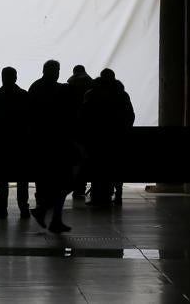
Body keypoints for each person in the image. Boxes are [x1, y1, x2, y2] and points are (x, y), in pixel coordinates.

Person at [27, 59, 73, 233]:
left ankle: (46, 211)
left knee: (51, 181)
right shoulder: (60, 90)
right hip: (57, 142)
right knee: (63, 182)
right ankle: (51, 215)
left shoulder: (36, 88)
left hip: (42, 141)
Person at [0, 66, 31, 219]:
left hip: (1, 141)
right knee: (22, 177)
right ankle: (23, 208)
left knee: (2, 177)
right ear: (15, 78)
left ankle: (2, 207)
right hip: (20, 142)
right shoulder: (24, 95)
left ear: (2, 78)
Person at [82, 68, 135, 205]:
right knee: (116, 166)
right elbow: (129, 115)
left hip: (97, 137)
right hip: (116, 136)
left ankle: (97, 195)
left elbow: (85, 115)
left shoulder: (92, 94)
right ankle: (118, 193)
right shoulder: (121, 94)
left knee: (97, 166)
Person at [64, 64, 94, 197]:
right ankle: (81, 189)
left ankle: (74, 187)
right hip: (87, 127)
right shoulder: (91, 83)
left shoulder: (70, 83)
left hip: (72, 126)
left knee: (73, 159)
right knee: (86, 158)